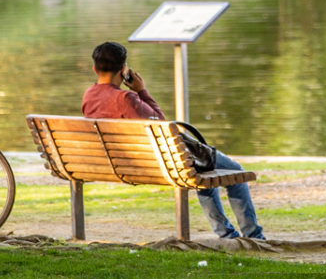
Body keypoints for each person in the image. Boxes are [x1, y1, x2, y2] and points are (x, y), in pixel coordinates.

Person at [82, 41, 264, 240]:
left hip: (120, 163)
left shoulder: (89, 95)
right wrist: (142, 91)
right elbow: (161, 122)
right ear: (124, 70)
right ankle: (253, 237)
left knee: (204, 171)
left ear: (94, 69)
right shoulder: (126, 98)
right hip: (158, 163)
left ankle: (227, 235)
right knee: (236, 172)